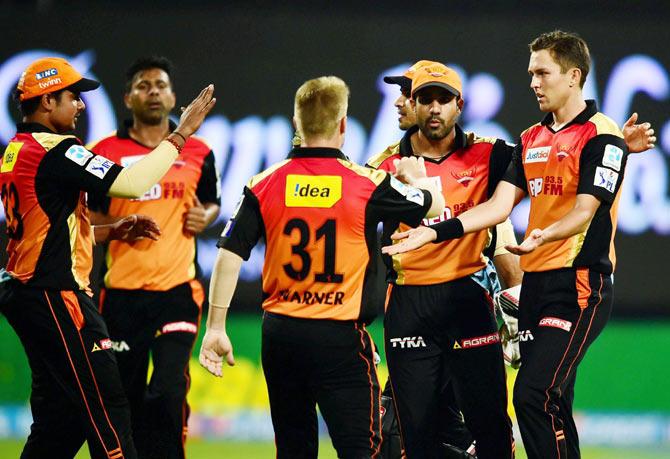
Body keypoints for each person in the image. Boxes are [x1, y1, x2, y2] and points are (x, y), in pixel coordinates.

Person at [381, 31, 655, 459]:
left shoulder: (601, 135)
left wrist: (548, 232)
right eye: (531, 73)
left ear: (574, 76)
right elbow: (497, 206)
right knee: (553, 404)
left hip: (578, 284)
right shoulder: (530, 139)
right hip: (534, 289)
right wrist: (435, 231)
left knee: (531, 395)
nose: (533, 82)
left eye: (542, 72)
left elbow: (585, 210)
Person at [198, 75, 445, 459]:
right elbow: (432, 207)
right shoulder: (369, 184)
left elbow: (229, 253)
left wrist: (215, 327)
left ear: (297, 124)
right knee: (362, 449)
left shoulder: (264, 183)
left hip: (281, 336)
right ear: (343, 125)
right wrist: (420, 180)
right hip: (340, 339)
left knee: (294, 450)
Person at [0, 56, 215, 459]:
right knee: (110, 405)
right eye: (73, 96)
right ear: (47, 102)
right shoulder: (56, 149)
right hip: (55, 294)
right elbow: (132, 183)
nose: (81, 105)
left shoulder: (16, 150)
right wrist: (183, 132)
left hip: (27, 291)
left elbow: (46, 233)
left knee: (60, 418)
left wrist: (107, 231)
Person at [368, 61, 518, 459]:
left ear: (459, 105)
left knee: (490, 426)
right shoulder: (382, 167)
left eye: (444, 100)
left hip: (467, 297)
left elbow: (554, 164)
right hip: (408, 304)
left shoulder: (492, 154)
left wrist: (616, 145)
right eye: (425, 100)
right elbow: (356, 241)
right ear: (411, 105)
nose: (435, 109)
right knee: (416, 433)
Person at [87, 56, 221, 459]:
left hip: (177, 290)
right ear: (128, 98)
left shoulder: (200, 151)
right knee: (124, 397)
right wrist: (117, 222)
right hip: (122, 295)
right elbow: (86, 215)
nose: (154, 92)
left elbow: (211, 202)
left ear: (174, 96)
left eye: (161, 85)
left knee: (166, 391)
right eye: (143, 85)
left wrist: (206, 216)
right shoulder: (104, 151)